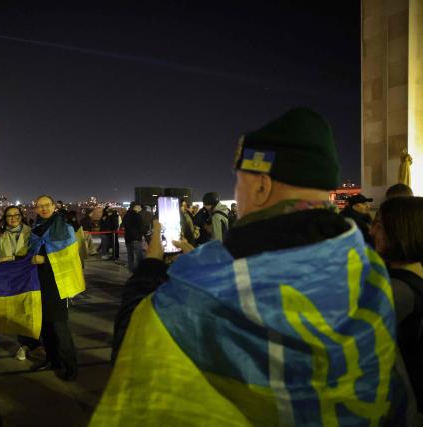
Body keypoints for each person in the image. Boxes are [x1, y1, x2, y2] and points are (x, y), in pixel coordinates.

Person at [94, 108, 411, 425]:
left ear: (261, 186)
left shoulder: (206, 280)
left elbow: (132, 349)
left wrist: (150, 267)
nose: (237, 195)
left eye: (239, 183)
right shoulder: (370, 267)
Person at [370, 196, 423, 411]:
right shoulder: (414, 273)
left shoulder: (397, 291)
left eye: (379, 226)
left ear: (402, 232)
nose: (372, 232)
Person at [29, 195, 83, 381]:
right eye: (40, 206)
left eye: (47, 205)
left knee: (59, 325)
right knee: (45, 325)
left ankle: (70, 366)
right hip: (39, 283)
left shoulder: (65, 228)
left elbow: (71, 257)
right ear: (36, 209)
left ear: (54, 207)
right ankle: (52, 360)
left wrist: (45, 259)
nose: (44, 209)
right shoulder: (35, 230)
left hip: (57, 284)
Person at [0, 206, 41, 361]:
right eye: (9, 216)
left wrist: (12, 259)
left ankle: (33, 343)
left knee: (31, 310)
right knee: (18, 312)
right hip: (12, 279)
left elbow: (33, 255)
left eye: (16, 215)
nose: (13, 218)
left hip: (29, 277)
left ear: (21, 216)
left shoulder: (32, 233)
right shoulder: (1, 236)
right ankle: (24, 343)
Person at [121, 202, 144, 272]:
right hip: (136, 238)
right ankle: (140, 270)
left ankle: (131, 269)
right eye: (139, 206)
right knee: (139, 256)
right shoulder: (137, 215)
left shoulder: (126, 215)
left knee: (130, 255)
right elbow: (141, 227)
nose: (140, 208)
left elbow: (122, 226)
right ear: (135, 207)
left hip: (128, 238)